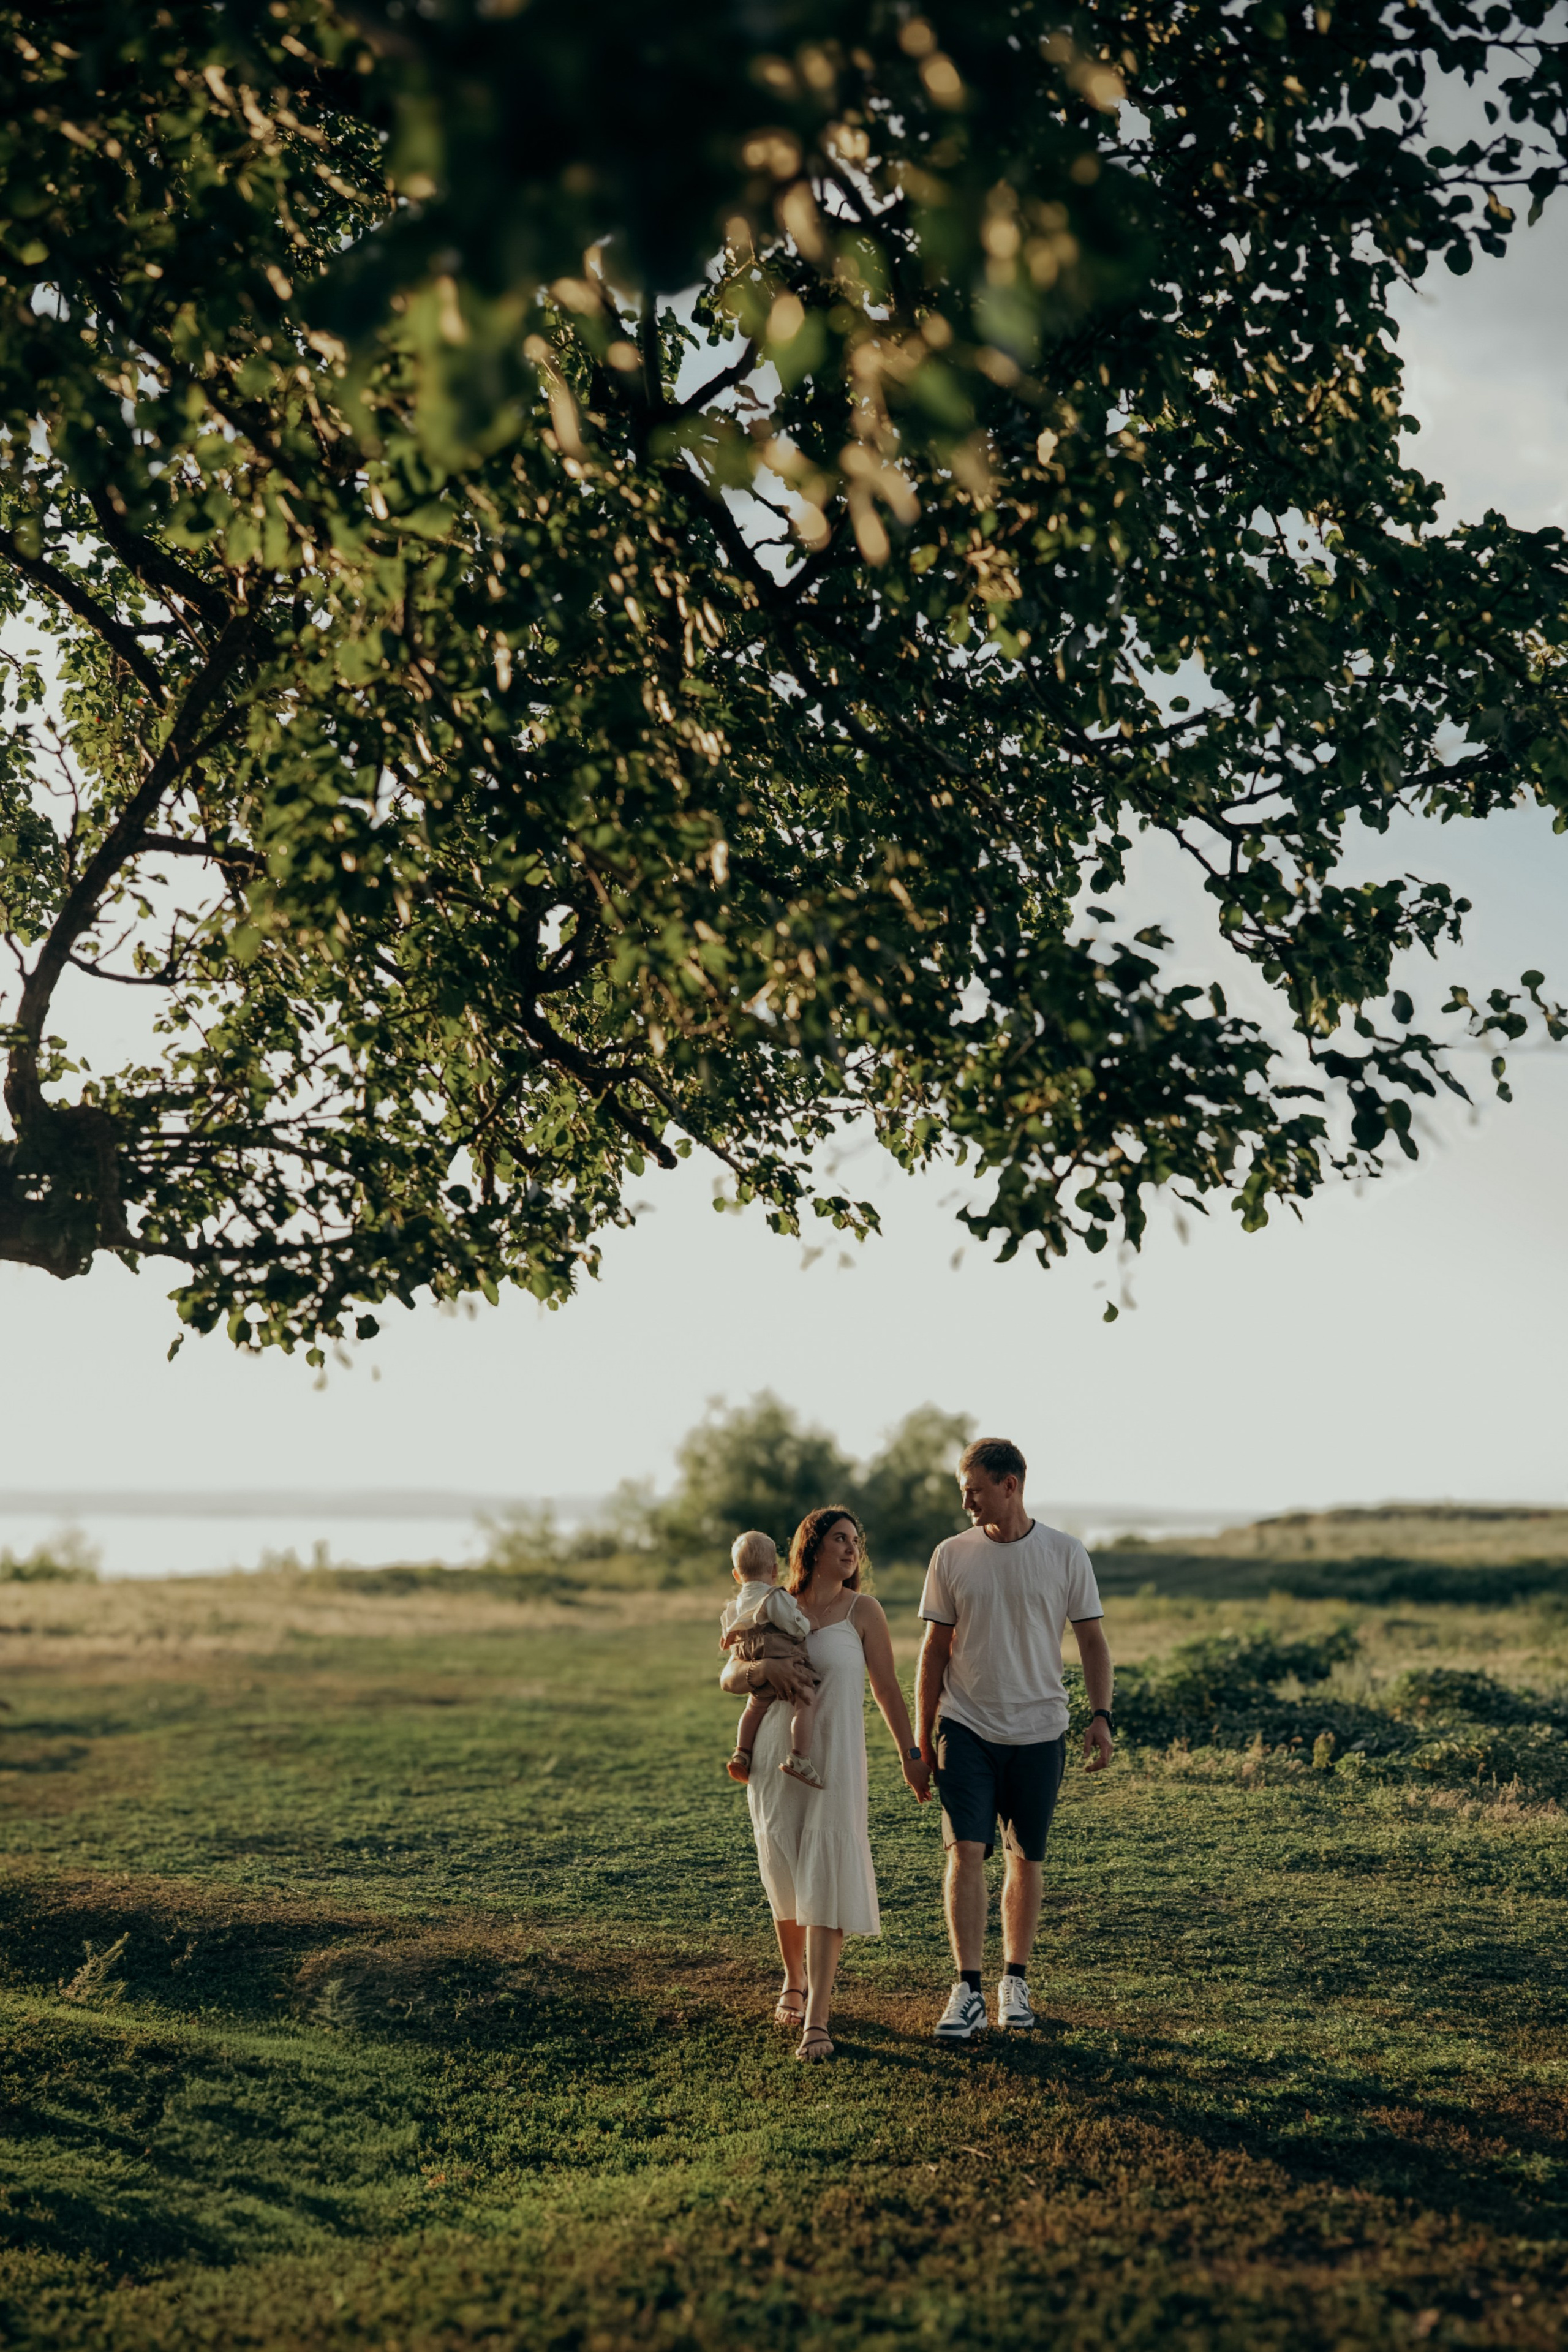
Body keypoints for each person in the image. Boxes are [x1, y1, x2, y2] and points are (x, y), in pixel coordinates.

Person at [914, 1436, 1114, 2043]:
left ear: (1011, 1484)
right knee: (965, 1852)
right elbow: (932, 1653)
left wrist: (1100, 1715)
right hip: (965, 1726)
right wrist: (921, 1742)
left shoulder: (1064, 1553)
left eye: (975, 1490)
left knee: (1025, 1857)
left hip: (1039, 1730)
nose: (967, 1502)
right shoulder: (951, 1555)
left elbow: (1092, 1642)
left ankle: (1014, 1983)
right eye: (963, 1491)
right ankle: (967, 1990)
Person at [723, 1506, 929, 2062]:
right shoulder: (775, 1602)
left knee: (826, 1873)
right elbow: (729, 1674)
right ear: (811, 1548)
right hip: (774, 1757)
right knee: (785, 1869)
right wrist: (763, 1672)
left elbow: (888, 1689)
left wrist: (912, 1754)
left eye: (855, 1542)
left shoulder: (864, 1611)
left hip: (834, 1761)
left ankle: (818, 2018)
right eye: (840, 1539)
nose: (851, 1549)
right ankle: (794, 1979)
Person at [719, 1529, 824, 1789]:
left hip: (752, 1660)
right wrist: (807, 1622)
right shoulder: (774, 1597)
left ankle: (742, 1752)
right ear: (775, 1571)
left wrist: (727, 1639)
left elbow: (727, 1634)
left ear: (736, 1574)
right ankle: (799, 1757)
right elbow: (792, 1625)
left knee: (754, 1707)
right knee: (806, 1701)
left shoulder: (733, 1606)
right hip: (782, 1658)